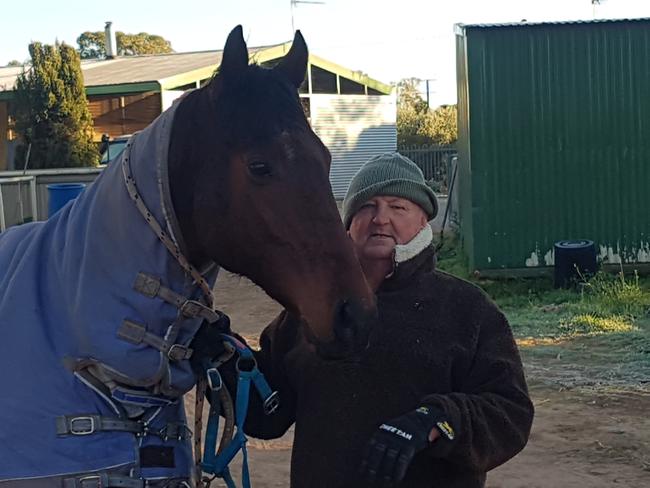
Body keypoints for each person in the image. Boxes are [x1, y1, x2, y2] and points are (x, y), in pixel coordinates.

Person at [219, 153, 534, 487]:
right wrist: (224, 358)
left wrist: (438, 420)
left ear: (423, 221)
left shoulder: (467, 308)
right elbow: (268, 414)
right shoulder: (312, 309)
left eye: (398, 207)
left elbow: (511, 412)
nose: (381, 219)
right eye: (367, 206)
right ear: (349, 224)